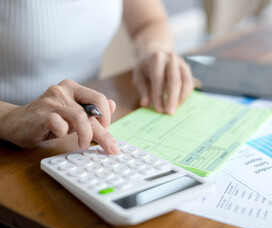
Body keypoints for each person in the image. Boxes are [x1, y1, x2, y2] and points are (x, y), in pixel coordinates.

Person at [0, 0, 194, 154]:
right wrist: (8, 117)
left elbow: (150, 21)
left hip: (77, 132)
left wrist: (154, 50)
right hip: (10, 142)